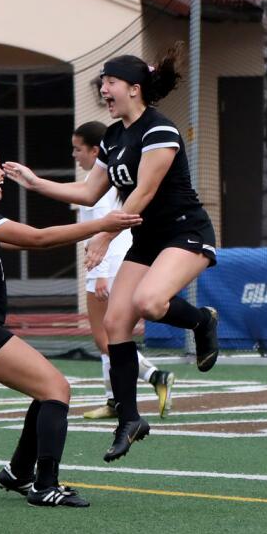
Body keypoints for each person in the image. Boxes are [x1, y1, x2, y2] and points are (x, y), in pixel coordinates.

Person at [4, 49, 218, 463]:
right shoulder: (113, 136)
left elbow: (144, 193)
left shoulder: (160, 130)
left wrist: (103, 236)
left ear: (134, 89)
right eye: (102, 83)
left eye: (110, 82)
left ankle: (202, 319)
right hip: (147, 238)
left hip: (184, 232)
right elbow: (88, 192)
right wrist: (35, 183)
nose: (103, 89)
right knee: (115, 326)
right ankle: (130, 419)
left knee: (150, 303)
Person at [0, 144, 141, 507]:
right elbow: (39, 238)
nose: (2, 174)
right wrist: (102, 225)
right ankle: (45, 486)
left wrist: (92, 232)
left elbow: (31, 241)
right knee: (56, 389)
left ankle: (18, 473)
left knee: (46, 389)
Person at [68, 121, 174, 420]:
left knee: (108, 339)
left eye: (78, 149)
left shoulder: (102, 184)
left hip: (109, 267)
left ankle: (154, 376)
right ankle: (114, 399)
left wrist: (103, 272)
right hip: (108, 266)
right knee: (106, 340)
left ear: (94, 149)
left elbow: (112, 228)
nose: (75, 155)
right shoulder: (98, 180)